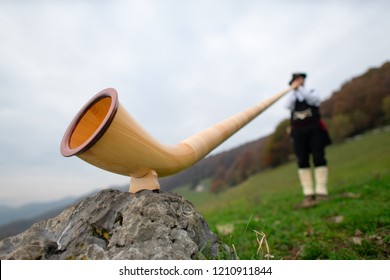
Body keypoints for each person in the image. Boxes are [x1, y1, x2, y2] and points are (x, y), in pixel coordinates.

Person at [285, 73, 331, 208]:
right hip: (298, 132)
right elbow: (287, 106)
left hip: (314, 129)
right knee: (302, 161)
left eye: (300, 79)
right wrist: (293, 91)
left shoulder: (311, 92)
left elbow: (313, 101)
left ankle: (321, 191)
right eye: (295, 80)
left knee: (319, 157)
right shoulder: (291, 97)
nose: (298, 82)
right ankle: (308, 193)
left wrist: (300, 88)